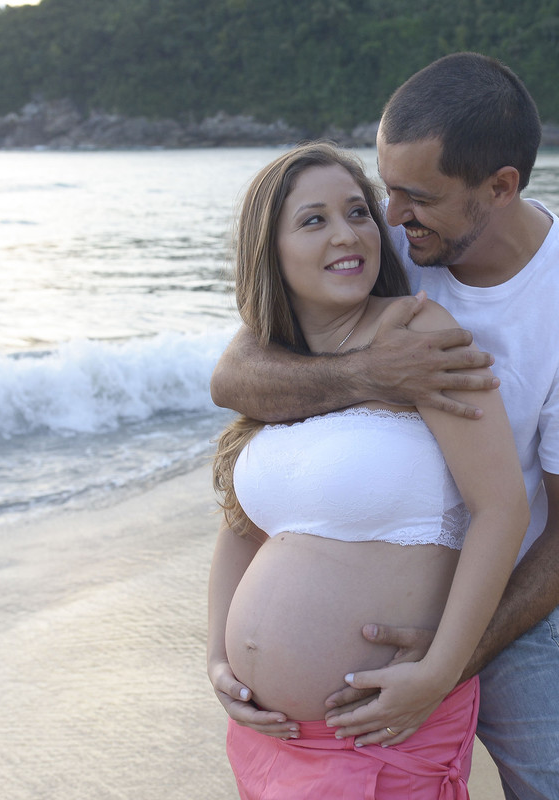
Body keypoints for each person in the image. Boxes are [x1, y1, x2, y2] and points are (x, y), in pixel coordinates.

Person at [211, 53, 559, 800]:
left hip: (505, 590)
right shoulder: (389, 249)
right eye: (385, 189)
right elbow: (241, 370)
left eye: (416, 196)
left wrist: (453, 655)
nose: (388, 215)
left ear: (499, 188)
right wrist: (369, 376)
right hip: (304, 727)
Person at [207, 141, 529, 798]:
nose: (348, 233)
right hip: (272, 742)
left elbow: (502, 508)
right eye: (314, 220)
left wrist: (442, 669)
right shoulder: (271, 373)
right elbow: (242, 530)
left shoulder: (417, 331)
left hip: (384, 728)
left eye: (357, 212)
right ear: (270, 250)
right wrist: (218, 658)